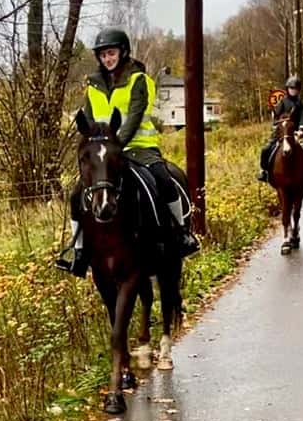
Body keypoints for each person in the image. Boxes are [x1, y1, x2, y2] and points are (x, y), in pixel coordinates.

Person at [56, 27, 199, 277]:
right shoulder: (93, 85)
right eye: (103, 55)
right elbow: (90, 119)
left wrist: (115, 145)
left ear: (122, 52)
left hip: (140, 148)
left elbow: (134, 116)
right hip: (106, 154)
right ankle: (78, 252)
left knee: (164, 180)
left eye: (111, 53)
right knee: (77, 193)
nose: (107, 59)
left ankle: (182, 234)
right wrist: (96, 146)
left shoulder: (139, 80)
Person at [257, 75, 303, 183]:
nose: (293, 91)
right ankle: (264, 171)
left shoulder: (301, 104)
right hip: (283, 131)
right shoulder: (282, 102)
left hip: (297, 132)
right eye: (291, 88)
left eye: (295, 89)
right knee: (265, 149)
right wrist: (275, 124)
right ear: (287, 89)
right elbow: (277, 115)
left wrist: (301, 129)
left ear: (298, 90)